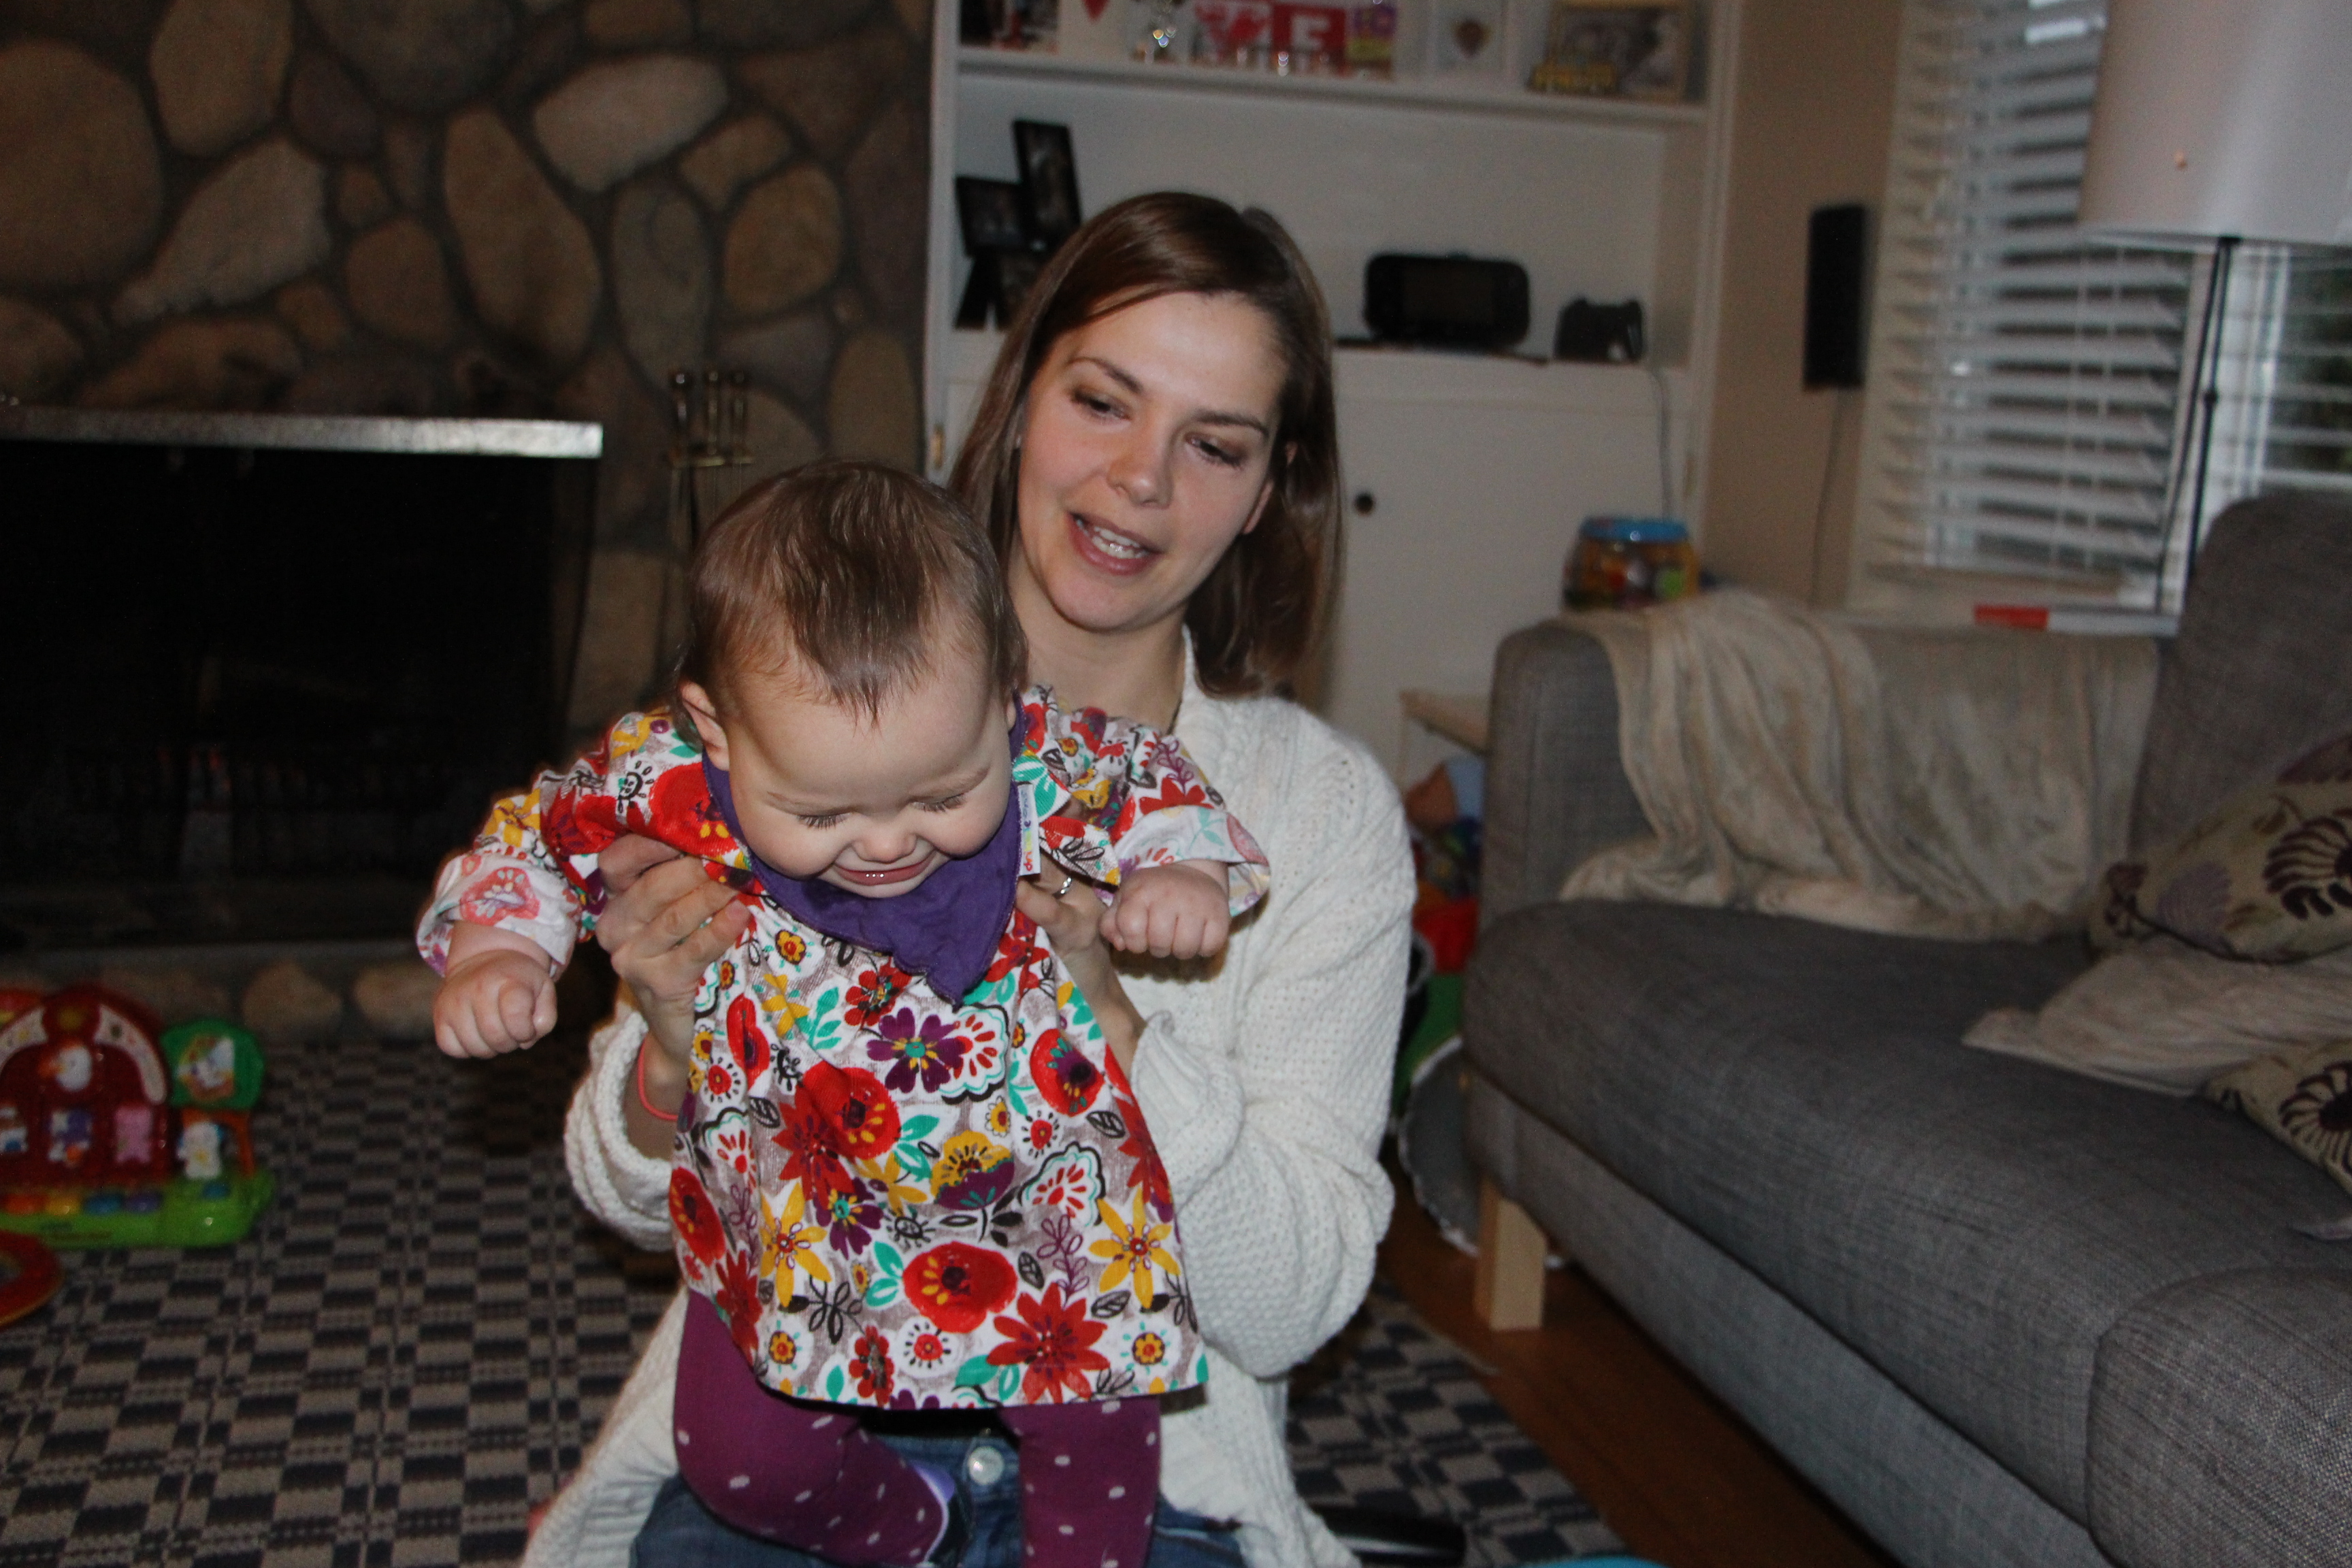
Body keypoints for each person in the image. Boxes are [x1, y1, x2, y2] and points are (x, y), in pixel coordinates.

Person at [530, 192, 1413, 1568]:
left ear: (1265, 492)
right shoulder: (793, 709)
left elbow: (1294, 1305)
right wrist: (668, 1046)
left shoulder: (1319, 816)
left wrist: (1112, 1030)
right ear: (1017, 407)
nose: (1140, 479)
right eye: (1102, 402)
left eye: (1213, 444)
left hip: (1150, 1456)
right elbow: (620, 1192)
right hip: (802, 1414)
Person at [423, 461, 1271, 1568]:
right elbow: (538, 836)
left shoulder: (1041, 757)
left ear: (1004, 700)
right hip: (798, 1210)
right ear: (717, 731)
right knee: (738, 1457)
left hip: (1045, 1210)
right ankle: (916, 1533)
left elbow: (1150, 783)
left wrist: (1182, 875)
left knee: (1099, 1453)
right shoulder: (670, 782)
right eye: (820, 811)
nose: (885, 843)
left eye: (941, 794)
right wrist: (501, 946)